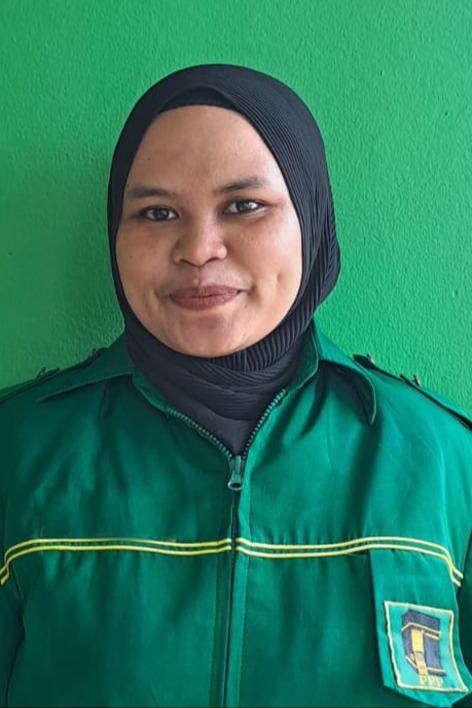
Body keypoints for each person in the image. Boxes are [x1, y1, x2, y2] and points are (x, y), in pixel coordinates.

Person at [1, 63, 471, 708]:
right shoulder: (18, 451)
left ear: (311, 217)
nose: (199, 248)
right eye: (157, 212)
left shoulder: (445, 460)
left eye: (244, 206)